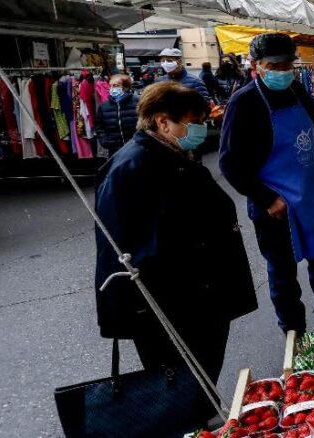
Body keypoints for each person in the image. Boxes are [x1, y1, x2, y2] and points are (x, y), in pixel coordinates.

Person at [94, 81, 256, 423]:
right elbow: (121, 249)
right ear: (162, 121)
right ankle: (194, 424)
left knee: (201, 373)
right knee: (179, 383)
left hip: (202, 294)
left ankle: (202, 419)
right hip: (170, 303)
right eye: (193, 122)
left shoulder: (173, 154)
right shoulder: (131, 168)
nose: (200, 129)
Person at [219, 33, 314, 335]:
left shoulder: (297, 90)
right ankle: (295, 336)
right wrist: (266, 198)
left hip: (313, 197)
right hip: (277, 208)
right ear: (256, 65)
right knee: (284, 276)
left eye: (288, 63)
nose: (284, 70)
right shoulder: (244, 102)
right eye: (275, 65)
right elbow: (230, 163)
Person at [93, 74, 139, 157]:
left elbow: (146, 123)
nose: (112, 88)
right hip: (115, 151)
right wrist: (105, 141)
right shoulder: (104, 107)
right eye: (110, 85)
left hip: (136, 149)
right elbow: (99, 126)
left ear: (125, 87)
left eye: (116, 85)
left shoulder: (138, 103)